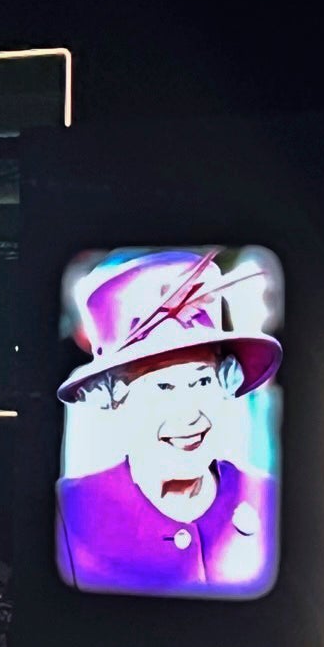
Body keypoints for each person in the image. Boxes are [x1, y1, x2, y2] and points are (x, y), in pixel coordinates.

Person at [55, 251, 282, 598]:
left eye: (202, 381)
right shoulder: (67, 513)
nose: (189, 414)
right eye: (163, 387)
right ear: (114, 399)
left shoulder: (269, 499)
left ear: (226, 382)